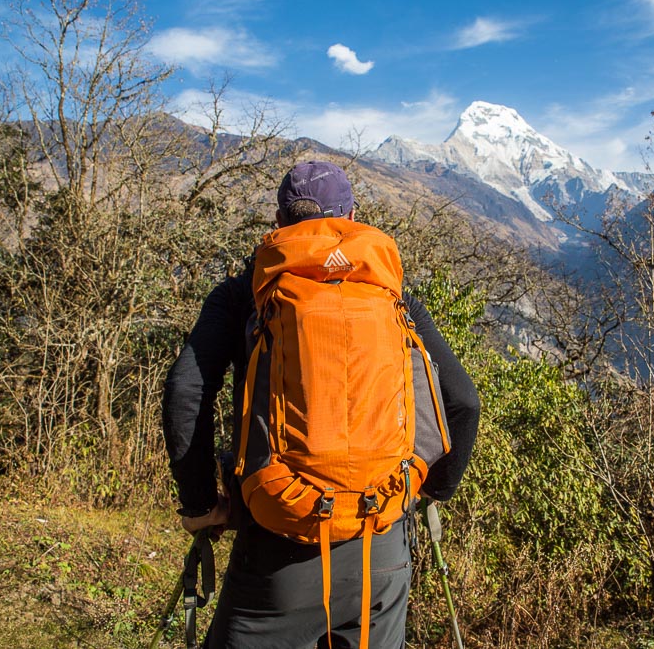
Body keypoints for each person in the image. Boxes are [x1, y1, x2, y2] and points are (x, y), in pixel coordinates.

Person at [162, 160, 480, 649]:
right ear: (352, 217)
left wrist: (202, 504)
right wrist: (427, 491)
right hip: (382, 542)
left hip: (278, 548)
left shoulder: (243, 295)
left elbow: (187, 392)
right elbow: (462, 402)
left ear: (279, 220)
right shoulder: (393, 298)